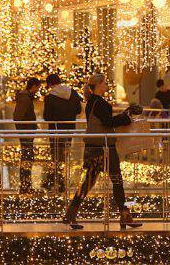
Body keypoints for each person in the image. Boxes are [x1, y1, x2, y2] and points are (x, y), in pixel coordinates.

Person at [63, 73, 143, 229]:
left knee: (88, 183)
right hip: (105, 147)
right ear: (99, 84)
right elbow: (108, 122)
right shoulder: (99, 103)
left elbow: (104, 121)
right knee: (117, 180)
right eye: (105, 83)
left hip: (94, 147)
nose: (106, 86)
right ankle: (124, 215)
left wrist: (123, 114)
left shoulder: (92, 102)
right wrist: (125, 118)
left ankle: (70, 215)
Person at [42, 73, 82, 192]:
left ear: (50, 84)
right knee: (64, 154)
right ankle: (59, 181)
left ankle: (56, 181)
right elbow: (79, 110)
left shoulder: (50, 97)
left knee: (55, 155)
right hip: (69, 129)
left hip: (55, 130)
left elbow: (47, 116)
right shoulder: (72, 93)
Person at [13, 77, 40, 194]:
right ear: (33, 86)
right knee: (27, 159)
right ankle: (25, 186)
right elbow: (18, 117)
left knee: (27, 158)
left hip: (27, 132)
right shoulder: (25, 98)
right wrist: (28, 127)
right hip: (26, 134)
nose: (38, 90)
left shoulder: (25, 97)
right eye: (38, 87)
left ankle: (26, 185)